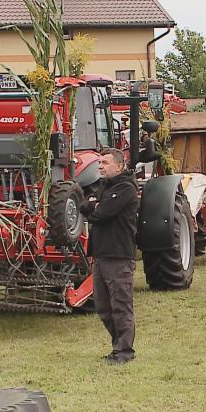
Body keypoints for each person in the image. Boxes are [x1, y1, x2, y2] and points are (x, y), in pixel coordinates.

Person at [79, 148, 139, 365]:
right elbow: (85, 205)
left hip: (118, 255)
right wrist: (94, 205)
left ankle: (124, 351)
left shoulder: (126, 188)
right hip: (101, 255)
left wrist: (95, 206)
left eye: (105, 162)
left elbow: (100, 214)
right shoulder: (104, 186)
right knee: (103, 307)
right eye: (99, 163)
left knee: (121, 304)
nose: (101, 166)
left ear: (120, 165)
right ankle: (117, 347)